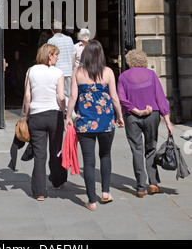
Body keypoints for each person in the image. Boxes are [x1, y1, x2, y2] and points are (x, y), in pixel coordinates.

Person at [65, 40, 124, 211]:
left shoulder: (78, 72)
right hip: (106, 121)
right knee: (105, 155)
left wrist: (68, 116)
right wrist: (119, 116)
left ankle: (91, 201)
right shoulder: (108, 72)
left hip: (85, 123)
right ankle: (105, 192)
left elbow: (73, 97)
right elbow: (114, 98)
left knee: (89, 162)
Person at [117, 49, 173, 198]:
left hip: (131, 116)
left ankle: (141, 187)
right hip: (152, 115)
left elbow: (121, 98)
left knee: (137, 150)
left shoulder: (123, 76)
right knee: (151, 148)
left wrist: (134, 109)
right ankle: (153, 183)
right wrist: (167, 120)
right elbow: (160, 97)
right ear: (144, 61)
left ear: (129, 62)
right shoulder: (152, 75)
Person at [24, 43, 67, 201]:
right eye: (56, 55)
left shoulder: (31, 70)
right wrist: (63, 113)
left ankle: (39, 192)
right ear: (50, 55)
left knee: (39, 155)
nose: (57, 58)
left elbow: (28, 96)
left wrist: (28, 115)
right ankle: (57, 181)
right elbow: (61, 97)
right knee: (56, 151)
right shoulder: (58, 72)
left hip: (37, 115)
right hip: (54, 115)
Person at [48, 20, 75, 110]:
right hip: (69, 70)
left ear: (51, 30)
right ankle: (68, 111)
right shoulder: (69, 39)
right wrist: (72, 68)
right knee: (69, 93)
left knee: (59, 93)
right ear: (62, 29)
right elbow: (73, 56)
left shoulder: (51, 40)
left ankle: (64, 111)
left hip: (57, 71)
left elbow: (50, 57)